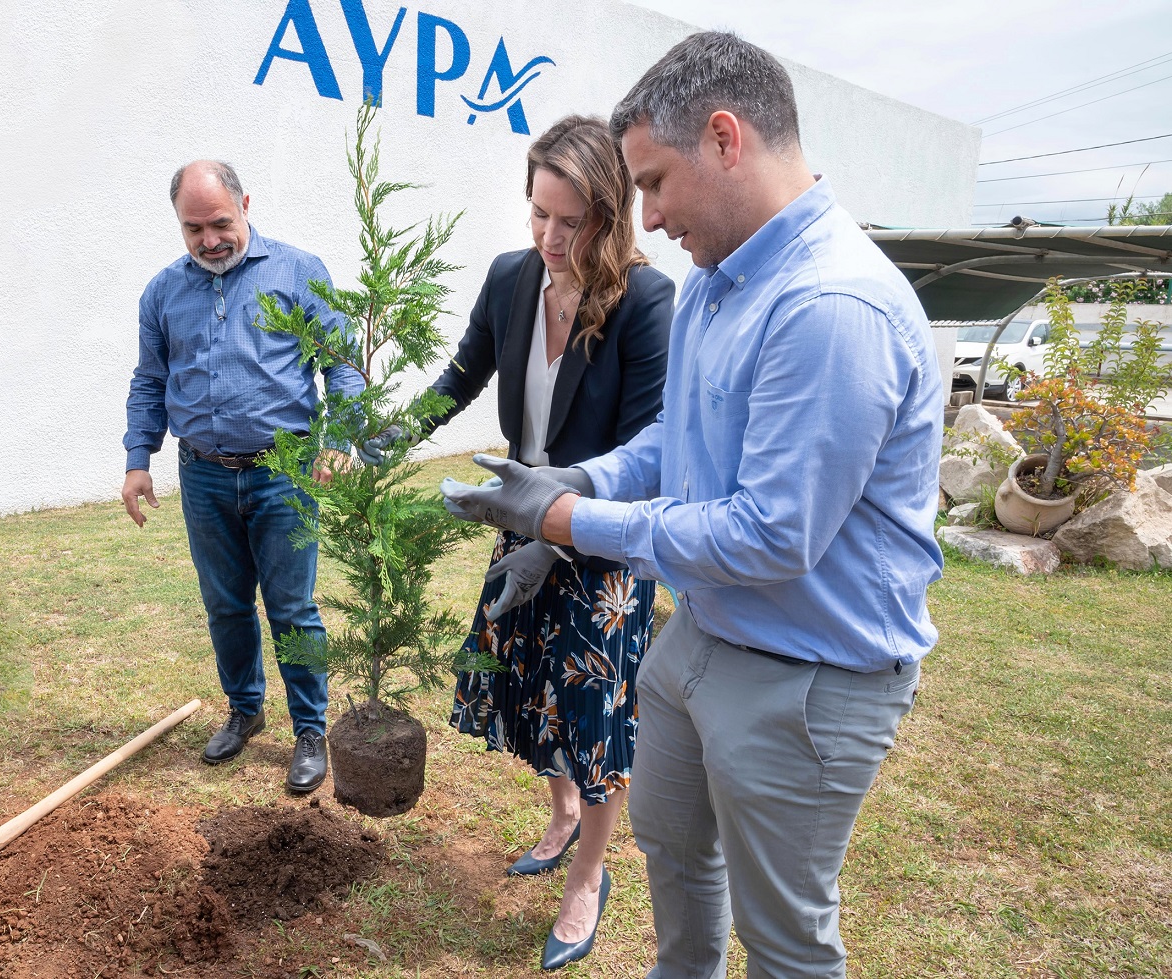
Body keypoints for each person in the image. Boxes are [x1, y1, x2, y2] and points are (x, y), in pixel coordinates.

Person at [441, 33, 943, 979]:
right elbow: (676, 441)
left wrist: (567, 524)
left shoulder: (828, 304)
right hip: (702, 640)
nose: (651, 216)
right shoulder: (723, 280)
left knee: (785, 941)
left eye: (654, 183)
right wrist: (576, 480)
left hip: (805, 675)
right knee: (673, 854)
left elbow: (769, 534)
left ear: (724, 138)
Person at [368, 115, 672, 971]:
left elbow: (646, 453)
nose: (547, 236)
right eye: (538, 213)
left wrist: (557, 533)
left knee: (596, 721)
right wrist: (381, 441)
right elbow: (458, 376)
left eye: (569, 221)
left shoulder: (646, 302)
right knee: (531, 692)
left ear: (609, 215)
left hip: (601, 541)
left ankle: (587, 875)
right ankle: (561, 810)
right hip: (519, 523)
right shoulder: (511, 278)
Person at [121, 160, 362, 794]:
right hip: (202, 474)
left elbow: (343, 366)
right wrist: (137, 460)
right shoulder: (162, 293)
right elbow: (149, 382)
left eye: (221, 223)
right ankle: (245, 710)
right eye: (193, 228)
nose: (209, 240)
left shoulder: (299, 272)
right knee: (226, 606)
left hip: (284, 473)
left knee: (292, 608)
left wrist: (339, 441)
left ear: (246, 205)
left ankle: (310, 730)